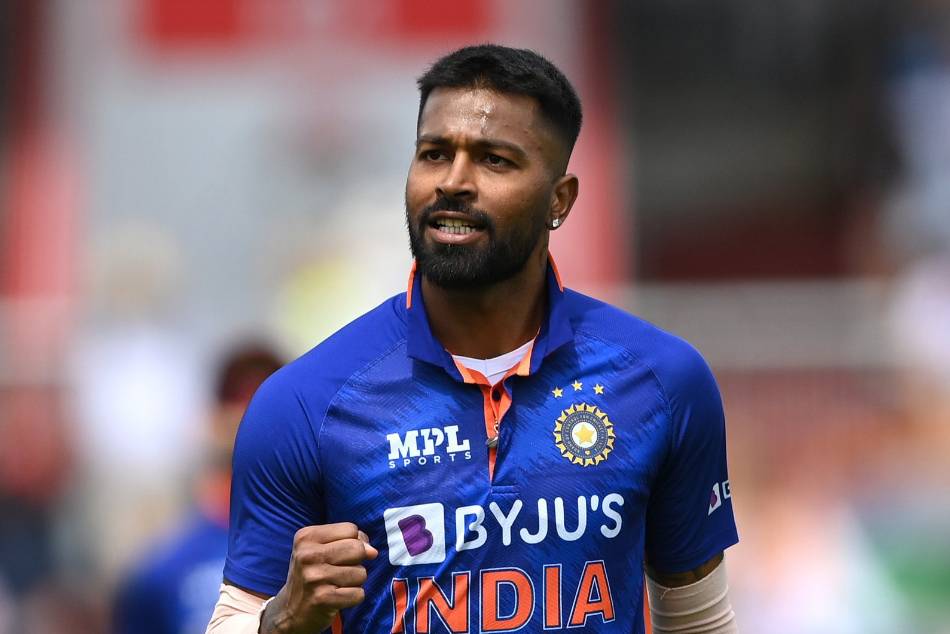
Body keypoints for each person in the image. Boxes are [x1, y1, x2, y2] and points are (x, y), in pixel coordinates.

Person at [207, 44, 738, 633]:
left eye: (494, 160)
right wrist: (283, 619)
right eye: (434, 154)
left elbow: (701, 625)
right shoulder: (305, 403)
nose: (453, 182)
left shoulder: (662, 381)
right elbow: (234, 619)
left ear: (559, 200)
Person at [114, 344, 283, 634]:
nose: (249, 417)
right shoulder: (162, 573)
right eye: (238, 401)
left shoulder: (318, 553)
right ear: (212, 420)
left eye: (266, 403)